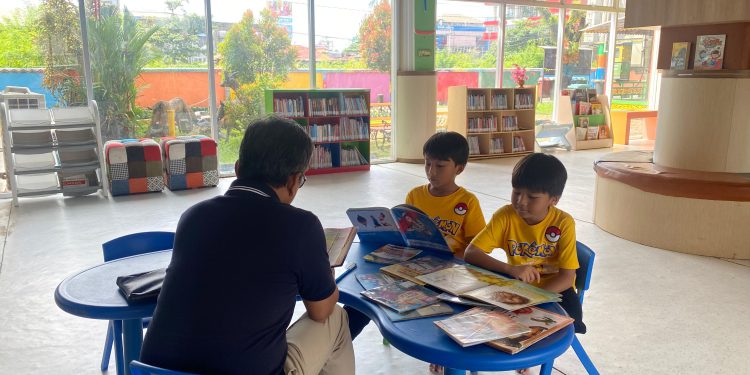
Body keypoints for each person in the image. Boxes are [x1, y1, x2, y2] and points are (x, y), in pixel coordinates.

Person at [140, 117, 354, 375]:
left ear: (239, 168)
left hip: (154, 371)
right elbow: (320, 311)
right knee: (337, 318)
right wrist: (327, 279)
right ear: (294, 181)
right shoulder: (300, 226)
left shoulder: (193, 216)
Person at [464, 153, 586, 335]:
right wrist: (511, 269)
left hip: (555, 290)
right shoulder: (505, 216)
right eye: (517, 192)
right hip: (518, 285)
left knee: (569, 324)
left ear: (554, 200)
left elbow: (567, 278)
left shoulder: (563, 223)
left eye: (532, 197)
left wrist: (532, 299)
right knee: (474, 316)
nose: (521, 202)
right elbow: (471, 253)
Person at [405, 131, 486, 258]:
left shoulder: (468, 201)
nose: (431, 171)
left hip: (452, 267)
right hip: (418, 260)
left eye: (440, 166)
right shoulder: (414, 195)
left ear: (459, 169)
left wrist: (454, 260)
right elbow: (406, 233)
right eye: (428, 163)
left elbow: (478, 245)